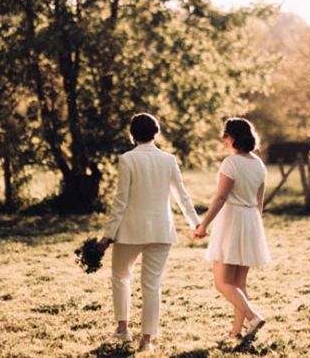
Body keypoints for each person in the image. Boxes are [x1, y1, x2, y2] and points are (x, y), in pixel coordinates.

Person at [98, 113, 200, 352]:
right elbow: (182, 195)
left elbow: (120, 201)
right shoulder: (169, 159)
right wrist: (195, 223)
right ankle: (147, 340)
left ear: (132, 134)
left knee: (120, 277)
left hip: (130, 232)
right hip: (161, 231)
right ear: (156, 133)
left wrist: (108, 235)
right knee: (152, 285)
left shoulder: (127, 159)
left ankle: (123, 329)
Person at [194, 117, 270, 340]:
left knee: (222, 282)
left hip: (232, 220)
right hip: (251, 220)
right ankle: (236, 333)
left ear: (233, 137)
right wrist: (253, 225)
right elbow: (260, 202)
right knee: (239, 283)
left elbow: (220, 197)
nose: (224, 140)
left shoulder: (231, 163)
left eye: (225, 136)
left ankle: (253, 316)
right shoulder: (259, 164)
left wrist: (203, 225)